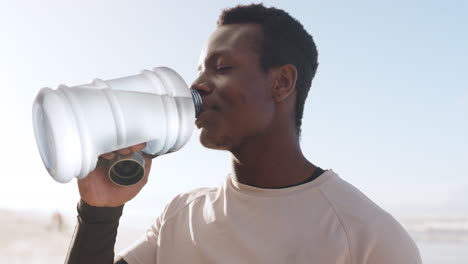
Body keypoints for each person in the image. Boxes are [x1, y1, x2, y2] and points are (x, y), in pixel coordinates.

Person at [65, 4, 422, 264]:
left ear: (281, 83)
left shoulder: (368, 239)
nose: (197, 85)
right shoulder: (181, 216)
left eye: (222, 68)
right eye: (200, 70)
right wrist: (99, 211)